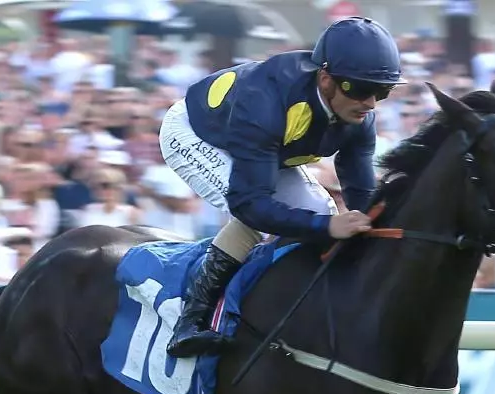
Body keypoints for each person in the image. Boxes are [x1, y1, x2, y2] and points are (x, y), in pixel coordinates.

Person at [158, 16, 405, 358]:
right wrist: (329, 226)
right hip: (196, 133)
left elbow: (362, 195)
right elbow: (249, 204)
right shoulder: (265, 102)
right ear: (326, 79)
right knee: (267, 220)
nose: (371, 103)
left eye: (383, 91)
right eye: (362, 89)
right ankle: (191, 320)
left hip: (263, 147)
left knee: (320, 211)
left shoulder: (359, 118)